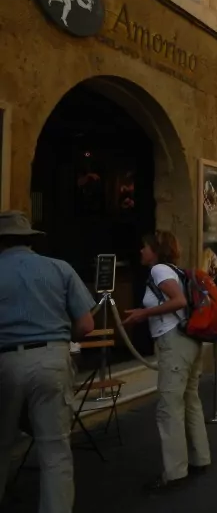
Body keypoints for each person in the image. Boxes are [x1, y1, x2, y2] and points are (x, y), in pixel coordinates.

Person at [0, 211, 96, 513]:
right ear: (30, 239)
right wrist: (65, 342)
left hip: (4, 360)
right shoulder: (59, 268)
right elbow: (86, 325)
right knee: (55, 449)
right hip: (53, 358)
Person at [124, 230, 211, 491]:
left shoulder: (159, 270)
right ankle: (199, 457)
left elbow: (178, 300)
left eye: (145, 247)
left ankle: (174, 472)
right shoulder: (175, 270)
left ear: (155, 249)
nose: (141, 251)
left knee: (169, 406)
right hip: (190, 341)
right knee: (190, 399)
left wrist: (144, 313)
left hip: (174, 342)